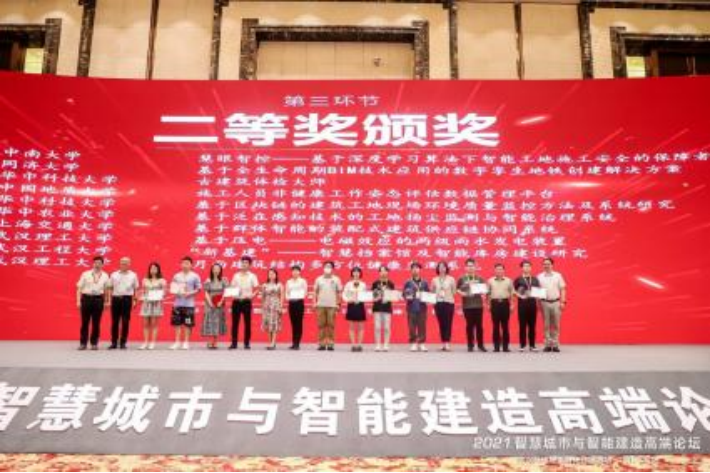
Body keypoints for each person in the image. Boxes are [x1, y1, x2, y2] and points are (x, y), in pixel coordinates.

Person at [76, 256, 110, 350]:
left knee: (96, 323)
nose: (97, 265)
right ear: (93, 264)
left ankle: (94, 343)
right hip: (86, 299)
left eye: (99, 263)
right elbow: (79, 288)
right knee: (85, 322)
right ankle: (83, 343)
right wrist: (78, 301)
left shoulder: (105, 275)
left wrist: (107, 301)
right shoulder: (85, 274)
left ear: (102, 264)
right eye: (95, 263)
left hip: (98, 299)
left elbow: (107, 290)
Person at [170, 256, 202, 350]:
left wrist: (190, 293)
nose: (185, 265)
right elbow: (173, 287)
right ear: (181, 264)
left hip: (189, 304)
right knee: (177, 323)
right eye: (183, 263)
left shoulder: (195, 276)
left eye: (187, 263)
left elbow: (199, 288)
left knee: (188, 323)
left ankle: (186, 342)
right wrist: (175, 291)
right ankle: (177, 342)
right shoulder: (176, 276)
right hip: (177, 303)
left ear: (191, 265)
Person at [107, 257, 139, 350]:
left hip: (127, 299)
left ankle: (123, 342)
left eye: (126, 263)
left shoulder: (133, 275)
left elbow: (136, 288)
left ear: (129, 264)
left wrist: (135, 300)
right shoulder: (114, 274)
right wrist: (109, 300)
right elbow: (110, 288)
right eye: (122, 263)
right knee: (115, 321)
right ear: (119, 264)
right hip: (115, 298)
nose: (124, 264)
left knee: (125, 321)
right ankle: (114, 342)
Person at [457, 258, 487, 353]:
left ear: (475, 267)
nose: (470, 268)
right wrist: (463, 292)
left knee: (479, 326)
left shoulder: (479, 278)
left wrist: (483, 293)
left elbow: (484, 290)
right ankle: (470, 345)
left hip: (478, 305)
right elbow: (457, 289)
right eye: (468, 266)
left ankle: (480, 345)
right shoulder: (462, 278)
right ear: (465, 267)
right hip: (467, 305)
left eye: (472, 266)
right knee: (469, 326)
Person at [229, 256, 259, 350]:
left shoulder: (252, 276)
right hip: (236, 301)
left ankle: (246, 343)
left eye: (246, 263)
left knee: (247, 323)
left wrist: (251, 296)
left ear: (250, 265)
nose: (244, 264)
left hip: (246, 302)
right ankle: (234, 343)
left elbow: (257, 288)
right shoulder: (236, 275)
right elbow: (232, 287)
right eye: (243, 263)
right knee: (235, 323)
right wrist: (232, 293)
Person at [538, 257, 568, 353]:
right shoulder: (539, 276)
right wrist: (538, 304)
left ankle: (555, 345)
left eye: (548, 264)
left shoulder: (558, 275)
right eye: (544, 264)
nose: (546, 265)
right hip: (544, 302)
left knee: (556, 325)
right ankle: (547, 344)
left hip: (556, 302)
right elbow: (538, 292)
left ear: (552, 265)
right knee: (546, 325)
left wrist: (563, 301)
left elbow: (563, 289)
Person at [314, 261, 342, 351]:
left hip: (332, 306)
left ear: (332, 269)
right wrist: (314, 302)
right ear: (323, 268)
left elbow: (339, 292)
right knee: (321, 325)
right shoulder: (319, 279)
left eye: (329, 267)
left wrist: (338, 304)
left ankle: (330, 343)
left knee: (331, 325)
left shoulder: (336, 279)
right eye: (326, 266)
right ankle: (321, 343)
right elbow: (315, 292)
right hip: (320, 305)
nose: (327, 268)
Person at [513, 260, 541, 352]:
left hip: (532, 304)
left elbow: (539, 291)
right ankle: (522, 345)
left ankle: (532, 345)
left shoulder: (535, 279)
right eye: (525, 266)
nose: (527, 267)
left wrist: (538, 299)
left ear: (531, 268)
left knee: (532, 325)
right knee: (522, 325)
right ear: (522, 268)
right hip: (522, 304)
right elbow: (513, 291)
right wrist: (519, 295)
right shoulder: (518, 279)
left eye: (528, 266)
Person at [487, 263, 515, 353]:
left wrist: (512, 304)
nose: (499, 271)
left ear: (503, 270)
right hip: (494, 304)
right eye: (497, 269)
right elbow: (488, 293)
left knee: (505, 326)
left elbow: (512, 293)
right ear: (495, 270)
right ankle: (496, 346)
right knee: (495, 326)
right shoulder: (490, 281)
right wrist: (488, 304)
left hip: (505, 304)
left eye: (501, 269)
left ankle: (505, 347)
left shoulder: (508, 280)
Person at [403, 262, 430, 352]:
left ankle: (421, 343)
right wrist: (406, 296)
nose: (415, 270)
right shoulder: (408, 282)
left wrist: (428, 298)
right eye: (413, 268)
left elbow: (428, 293)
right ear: (411, 270)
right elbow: (404, 294)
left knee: (422, 326)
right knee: (411, 326)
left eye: (417, 268)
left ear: (420, 270)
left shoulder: (425, 282)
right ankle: (413, 343)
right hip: (411, 307)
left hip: (422, 307)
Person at [139, 262, 166, 350]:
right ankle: (145, 342)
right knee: (145, 324)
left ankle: (152, 342)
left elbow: (164, 292)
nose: (153, 270)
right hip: (146, 303)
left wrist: (159, 296)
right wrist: (141, 297)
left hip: (156, 303)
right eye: (151, 268)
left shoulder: (162, 281)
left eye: (155, 268)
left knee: (154, 324)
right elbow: (143, 292)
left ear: (158, 270)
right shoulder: (145, 280)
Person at [202, 262, 228, 350]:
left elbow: (226, 292)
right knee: (210, 322)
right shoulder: (208, 280)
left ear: (220, 270)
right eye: (214, 269)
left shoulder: (223, 280)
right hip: (210, 303)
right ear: (212, 270)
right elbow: (206, 293)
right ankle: (209, 341)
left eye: (218, 269)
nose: (216, 270)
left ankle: (215, 341)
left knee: (217, 322)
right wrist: (210, 303)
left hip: (220, 304)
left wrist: (221, 301)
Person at [431, 261, 456, 352]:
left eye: (443, 267)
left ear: (446, 268)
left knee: (448, 323)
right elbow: (432, 292)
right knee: (441, 324)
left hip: (448, 303)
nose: (442, 268)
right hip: (438, 303)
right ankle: (443, 343)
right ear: (438, 268)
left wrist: (447, 294)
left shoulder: (451, 279)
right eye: (440, 267)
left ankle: (447, 343)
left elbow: (454, 292)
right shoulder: (434, 280)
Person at [343, 267, 367, 352]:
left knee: (361, 327)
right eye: (354, 272)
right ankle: (353, 345)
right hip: (351, 305)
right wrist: (348, 300)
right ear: (352, 273)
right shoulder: (348, 284)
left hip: (360, 305)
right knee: (351, 327)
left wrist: (362, 298)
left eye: (358, 272)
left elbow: (365, 295)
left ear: (360, 274)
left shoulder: (363, 284)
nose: (356, 273)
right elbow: (344, 294)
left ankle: (359, 345)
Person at [372, 266, 396, 352]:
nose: (383, 273)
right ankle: (378, 344)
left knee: (387, 327)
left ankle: (386, 344)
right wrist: (376, 297)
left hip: (387, 308)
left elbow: (393, 296)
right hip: (377, 307)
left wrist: (389, 298)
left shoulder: (391, 283)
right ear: (379, 273)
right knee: (377, 327)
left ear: (387, 272)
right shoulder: (375, 283)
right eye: (381, 271)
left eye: (385, 271)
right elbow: (373, 295)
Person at [261, 268, 285, 350]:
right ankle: (270, 342)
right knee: (268, 324)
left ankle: (273, 342)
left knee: (274, 324)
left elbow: (281, 296)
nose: (271, 275)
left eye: (273, 274)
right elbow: (263, 297)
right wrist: (263, 307)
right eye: (270, 274)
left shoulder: (279, 285)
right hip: (267, 306)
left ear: (276, 275)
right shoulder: (264, 285)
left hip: (275, 305)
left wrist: (281, 307)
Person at [285, 265, 308, 350]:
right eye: (293, 271)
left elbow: (305, 292)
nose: (295, 272)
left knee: (299, 323)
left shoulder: (303, 281)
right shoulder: (288, 282)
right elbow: (287, 292)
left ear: (299, 272)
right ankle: (293, 342)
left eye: (296, 271)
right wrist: (288, 298)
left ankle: (297, 343)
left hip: (299, 303)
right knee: (293, 323)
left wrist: (299, 296)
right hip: (291, 303)